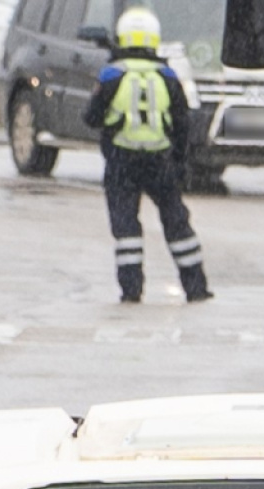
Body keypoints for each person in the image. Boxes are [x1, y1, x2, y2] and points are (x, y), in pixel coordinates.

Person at [93, 9, 213, 304]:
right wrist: (180, 163)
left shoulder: (111, 75)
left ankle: (131, 290)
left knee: (126, 229)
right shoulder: (168, 76)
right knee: (177, 224)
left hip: (122, 161)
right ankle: (196, 288)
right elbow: (183, 123)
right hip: (161, 161)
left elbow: (91, 117)